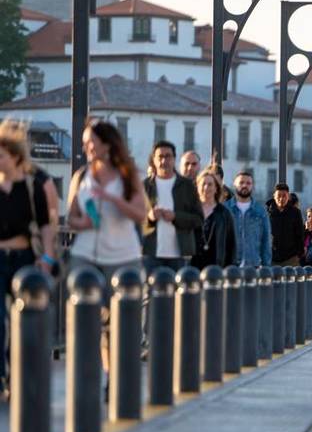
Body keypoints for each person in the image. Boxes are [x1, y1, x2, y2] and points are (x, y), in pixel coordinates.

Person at [67, 119, 146, 398]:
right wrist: (83, 223)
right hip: (85, 254)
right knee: (88, 318)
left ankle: (115, 377)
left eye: (91, 141)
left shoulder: (128, 175)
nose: (86, 146)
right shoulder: (81, 175)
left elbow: (140, 214)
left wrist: (113, 200)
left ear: (107, 144)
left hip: (123, 255)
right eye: (85, 141)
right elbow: (72, 217)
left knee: (119, 323)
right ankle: (88, 376)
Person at [0, 119, 60, 399]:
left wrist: (47, 257)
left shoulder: (32, 186)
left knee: (21, 320)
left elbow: (46, 225)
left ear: (14, 156)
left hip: (24, 258)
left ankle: (17, 375)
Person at [142, 141, 204, 273]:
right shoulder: (145, 186)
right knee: (151, 292)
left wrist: (176, 217)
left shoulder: (187, 186)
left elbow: (198, 219)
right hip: (150, 254)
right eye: (160, 156)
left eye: (168, 156)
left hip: (180, 255)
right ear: (154, 160)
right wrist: (149, 217)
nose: (164, 160)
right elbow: (134, 219)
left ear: (174, 159)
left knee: (179, 292)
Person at [190, 165, 237, 269]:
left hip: (217, 269)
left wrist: (230, 269)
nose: (206, 188)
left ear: (216, 188)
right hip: (192, 268)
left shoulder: (225, 214)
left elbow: (231, 245)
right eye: (203, 184)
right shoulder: (191, 211)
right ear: (197, 187)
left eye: (210, 184)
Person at [225, 170, 272, 267]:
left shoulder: (260, 211)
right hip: (229, 267)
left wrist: (266, 267)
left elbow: (266, 240)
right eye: (241, 182)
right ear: (235, 184)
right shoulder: (225, 209)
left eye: (248, 183)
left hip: (253, 266)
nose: (244, 185)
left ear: (252, 186)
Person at [265, 183, 304, 267]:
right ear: (274, 196)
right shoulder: (267, 213)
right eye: (279, 195)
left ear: (288, 197)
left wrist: (299, 254)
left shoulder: (295, 212)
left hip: (291, 258)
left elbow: (300, 234)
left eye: (284, 196)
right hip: (271, 258)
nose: (281, 198)